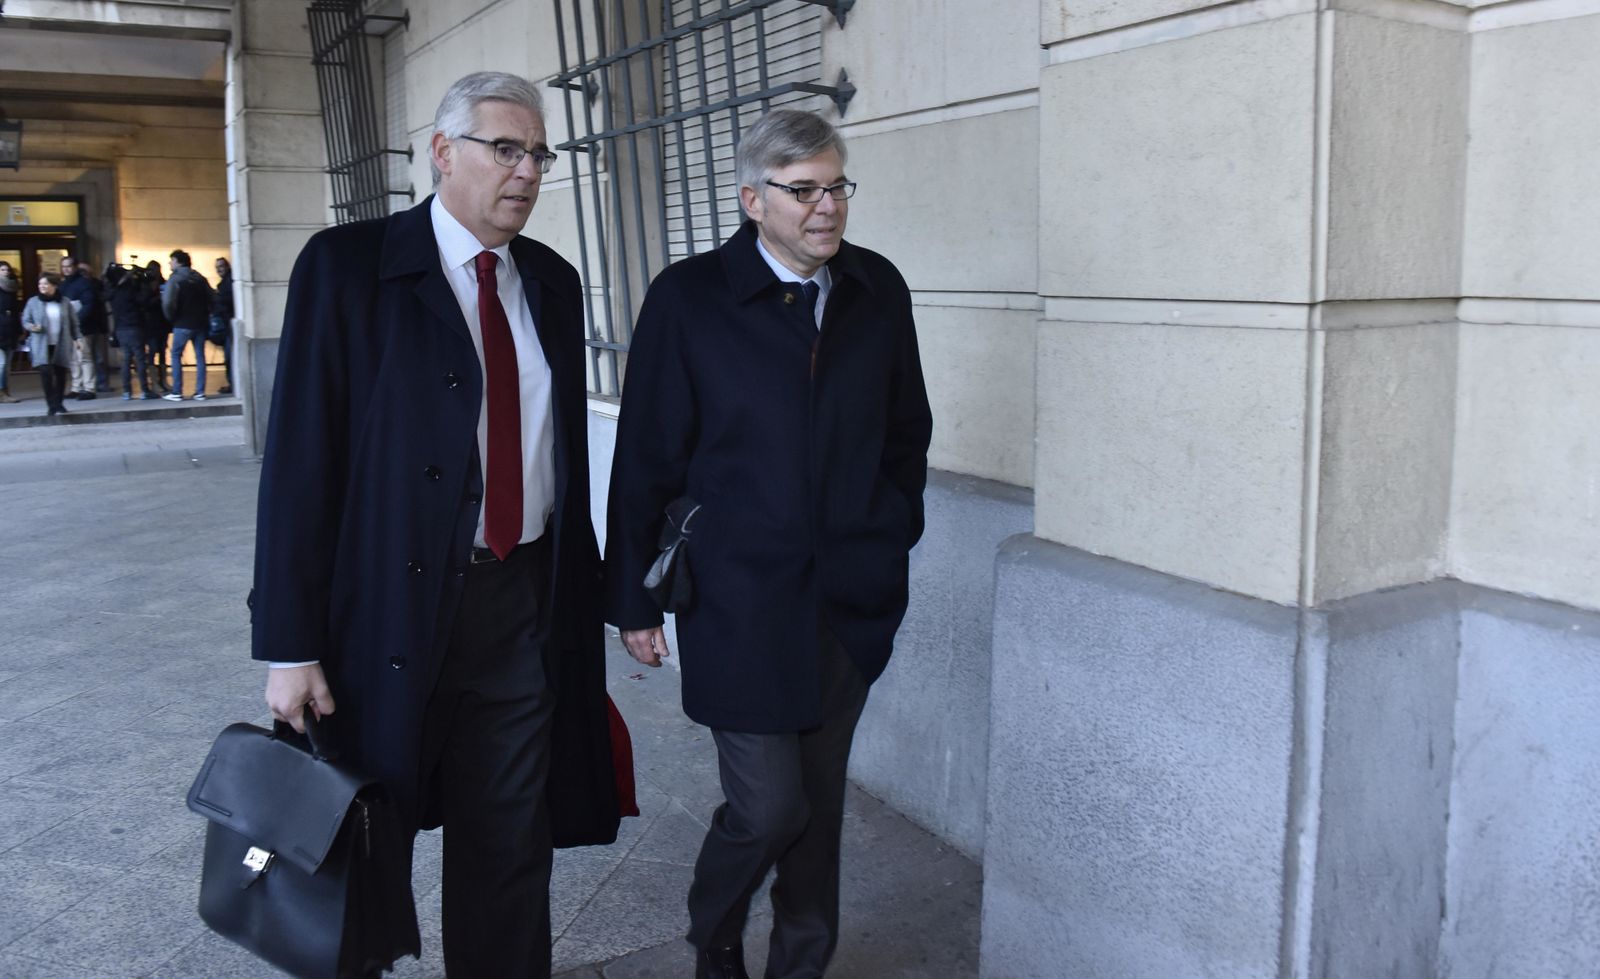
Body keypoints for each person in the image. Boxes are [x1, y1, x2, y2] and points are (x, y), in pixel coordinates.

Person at [253, 71, 622, 978]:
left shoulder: (553, 285)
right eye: (507, 148)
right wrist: (288, 643)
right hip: (380, 611)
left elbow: (558, 466)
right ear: (442, 153)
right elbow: (300, 466)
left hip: (517, 609)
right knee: (359, 847)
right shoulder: (348, 269)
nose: (528, 171)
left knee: (509, 849)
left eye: (540, 153)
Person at [604, 109, 933, 979]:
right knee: (769, 805)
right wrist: (633, 597)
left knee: (818, 806)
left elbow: (907, 432)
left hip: (848, 597)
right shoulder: (689, 297)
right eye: (802, 191)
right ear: (753, 199)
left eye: (837, 187)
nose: (826, 208)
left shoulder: (877, 289)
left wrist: (891, 529)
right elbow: (645, 454)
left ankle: (800, 964)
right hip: (736, 599)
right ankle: (716, 932)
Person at [21, 273, 83, 417]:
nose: (42, 287)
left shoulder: (65, 302)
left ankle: (59, 403)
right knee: (46, 374)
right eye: (40, 284)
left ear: (54, 285)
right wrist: (31, 327)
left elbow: (74, 323)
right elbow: (25, 320)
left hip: (61, 343)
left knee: (60, 374)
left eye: (46, 284)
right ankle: (51, 404)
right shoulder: (33, 302)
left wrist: (78, 338)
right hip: (41, 344)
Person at [161, 249, 212, 401]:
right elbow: (211, 297)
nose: (170, 263)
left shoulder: (175, 279)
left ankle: (177, 391)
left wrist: (171, 318)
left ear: (178, 261)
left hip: (182, 323)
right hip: (200, 322)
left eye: (172, 260)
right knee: (200, 357)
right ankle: (200, 391)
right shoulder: (199, 278)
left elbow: (168, 302)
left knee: (176, 354)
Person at [105, 264, 156, 400]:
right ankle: (145, 390)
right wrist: (143, 282)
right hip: (134, 327)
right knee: (140, 359)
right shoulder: (129, 290)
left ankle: (127, 391)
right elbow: (144, 300)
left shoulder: (112, 291)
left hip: (120, 329)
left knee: (126, 360)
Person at [141, 260, 171, 392]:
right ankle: (154, 382)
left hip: (162, 323)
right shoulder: (145, 284)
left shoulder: (163, 283)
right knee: (153, 351)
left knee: (163, 351)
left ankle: (163, 380)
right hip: (151, 323)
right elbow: (144, 303)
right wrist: (158, 298)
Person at [210, 256, 235, 395]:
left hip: (228, 323)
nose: (219, 270)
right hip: (227, 323)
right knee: (228, 357)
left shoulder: (228, 283)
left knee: (229, 357)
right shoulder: (225, 283)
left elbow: (227, 301)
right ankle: (231, 383)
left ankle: (232, 383)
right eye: (217, 267)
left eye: (221, 266)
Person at [0, 261, 19, 403]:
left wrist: (19, 330)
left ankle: (6, 391)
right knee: (1, 363)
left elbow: (15, 311)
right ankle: (1, 393)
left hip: (10, 330)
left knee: (6, 365)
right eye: (2, 269)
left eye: (7, 269)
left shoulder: (12, 289)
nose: (5, 272)